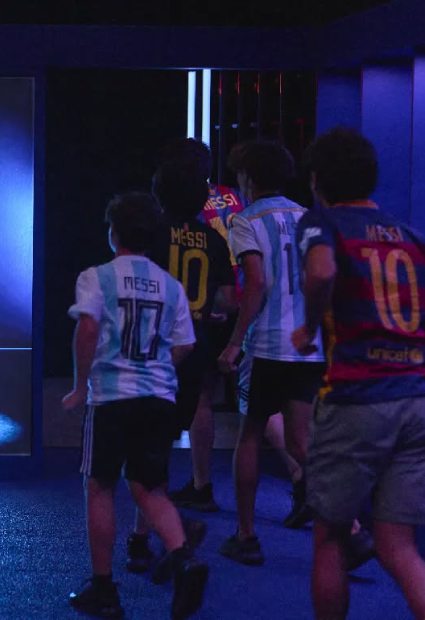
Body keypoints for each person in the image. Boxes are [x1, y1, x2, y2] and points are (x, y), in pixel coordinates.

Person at [294, 127, 425, 619]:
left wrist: (309, 327)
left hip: (356, 395)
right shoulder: (411, 236)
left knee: (330, 536)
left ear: (317, 180)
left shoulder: (322, 222)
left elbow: (322, 270)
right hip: (415, 397)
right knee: (399, 545)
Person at [63, 193, 208, 619]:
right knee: (149, 486)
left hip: (112, 397)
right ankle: (184, 559)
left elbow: (87, 329)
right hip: (159, 399)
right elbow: (185, 344)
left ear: (113, 232)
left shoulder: (97, 277)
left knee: (100, 486)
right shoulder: (171, 285)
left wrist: (80, 384)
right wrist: (156, 370)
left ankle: (104, 589)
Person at [158, 138, 301, 513]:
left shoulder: (182, 205)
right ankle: (299, 473)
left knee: (204, 399)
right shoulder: (233, 198)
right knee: (257, 400)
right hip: (242, 305)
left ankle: (201, 484)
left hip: (205, 310)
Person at [124, 157, 237, 577]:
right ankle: (147, 537)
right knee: (157, 451)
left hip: (152, 351)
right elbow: (229, 299)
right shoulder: (213, 239)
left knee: (142, 453)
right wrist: (210, 313)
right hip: (194, 352)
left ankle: (164, 536)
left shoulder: (151, 233)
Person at [215, 140, 324, 565]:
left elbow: (256, 283)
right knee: (301, 441)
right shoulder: (309, 217)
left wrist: (234, 342)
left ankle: (246, 536)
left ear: (248, 178)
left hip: (266, 344)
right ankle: (352, 528)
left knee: (250, 434)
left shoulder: (247, 220)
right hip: (306, 345)